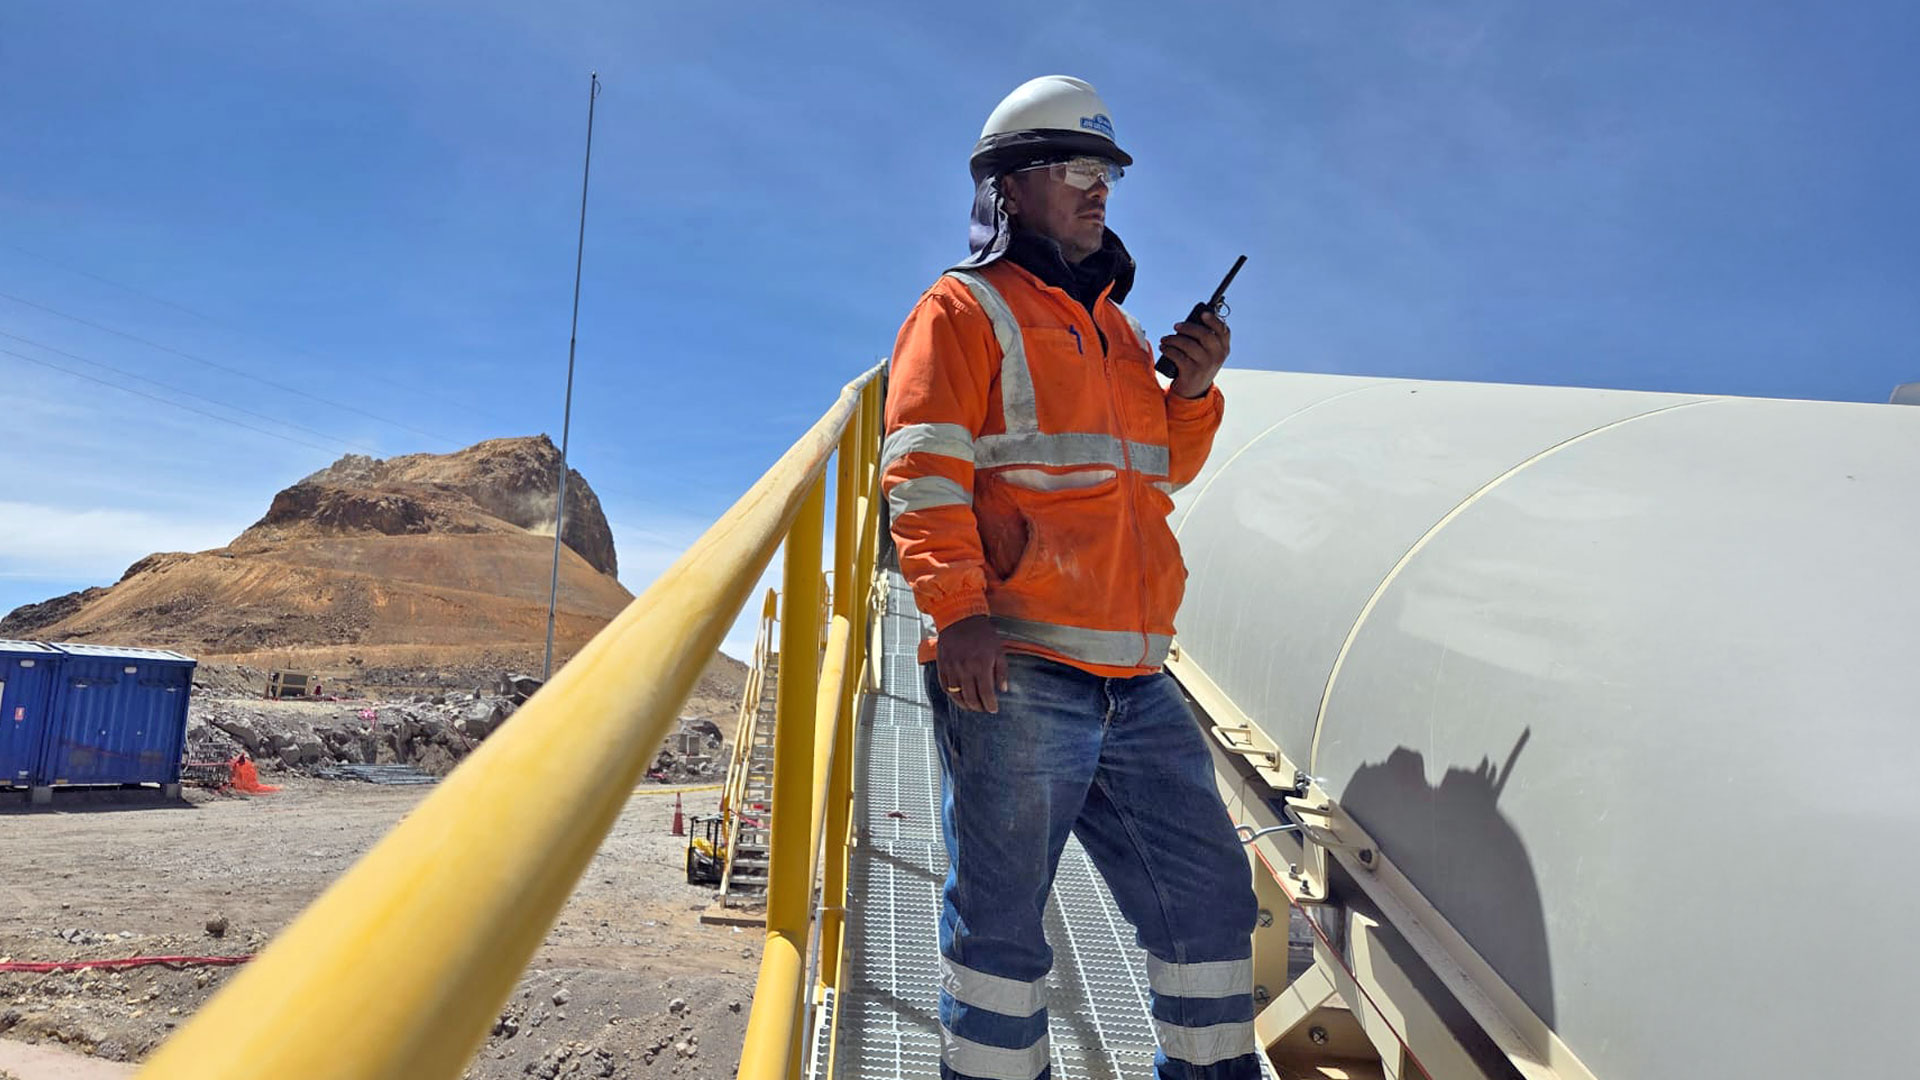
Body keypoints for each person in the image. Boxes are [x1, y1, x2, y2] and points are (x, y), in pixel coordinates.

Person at [881, 75, 1261, 1080]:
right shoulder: (962, 309)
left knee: (1210, 904)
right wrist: (958, 611)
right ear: (1009, 187)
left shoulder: (1119, 332)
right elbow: (922, 471)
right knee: (1003, 936)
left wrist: (1192, 390)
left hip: (1136, 678)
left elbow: (1159, 472)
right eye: (1077, 167)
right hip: (1018, 668)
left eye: (1108, 173)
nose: (1099, 189)